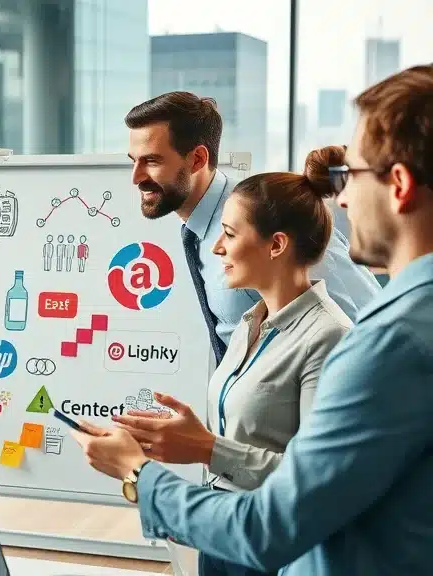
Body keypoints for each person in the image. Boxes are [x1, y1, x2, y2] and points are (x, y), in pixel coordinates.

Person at [71, 64, 433, 575]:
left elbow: (273, 523)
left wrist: (138, 472)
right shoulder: (256, 305)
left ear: (398, 185)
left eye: (351, 175)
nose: (343, 197)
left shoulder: (385, 339)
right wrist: (207, 444)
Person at [112, 146, 354, 576]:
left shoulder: (329, 338)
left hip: (271, 548)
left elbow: (314, 485)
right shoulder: (249, 324)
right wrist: (188, 437)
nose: (218, 247)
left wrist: (205, 447)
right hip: (225, 534)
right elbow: (252, 437)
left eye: (230, 233)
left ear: (276, 245)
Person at [125, 92, 379, 363]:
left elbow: (364, 326)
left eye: (152, 161)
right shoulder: (194, 232)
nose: (136, 177)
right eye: (134, 161)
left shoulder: (270, 211)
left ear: (198, 159)